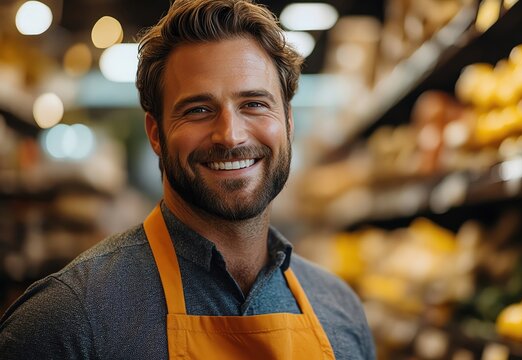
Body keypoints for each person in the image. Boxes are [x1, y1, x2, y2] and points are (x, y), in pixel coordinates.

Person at [0, 0, 376, 358]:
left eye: (254, 104)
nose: (230, 135)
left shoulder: (340, 312)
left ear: (289, 123)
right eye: (198, 109)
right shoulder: (66, 321)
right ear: (155, 133)